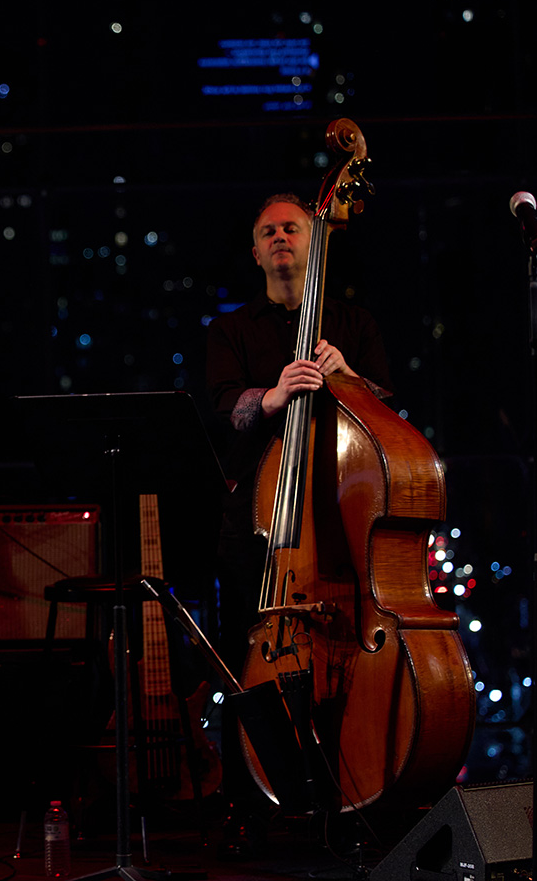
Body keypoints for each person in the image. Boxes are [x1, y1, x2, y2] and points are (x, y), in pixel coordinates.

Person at [203, 193, 389, 850]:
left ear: (315, 243)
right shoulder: (230, 331)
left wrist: (351, 377)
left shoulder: (354, 324)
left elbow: (387, 416)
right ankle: (252, 804)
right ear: (255, 252)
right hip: (257, 529)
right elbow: (222, 408)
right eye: (268, 232)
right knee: (243, 664)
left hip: (337, 528)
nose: (280, 237)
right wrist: (275, 395)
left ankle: (357, 789)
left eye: (292, 228)